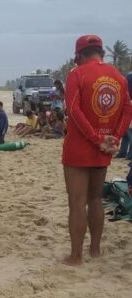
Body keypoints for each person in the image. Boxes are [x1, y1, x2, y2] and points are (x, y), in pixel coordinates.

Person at [62, 34, 132, 266]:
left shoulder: (77, 75)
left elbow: (73, 110)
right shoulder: (119, 77)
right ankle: (95, 250)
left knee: (77, 202)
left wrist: (96, 138)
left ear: (80, 55)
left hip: (79, 148)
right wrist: (115, 138)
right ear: (101, 53)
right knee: (95, 198)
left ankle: (76, 256)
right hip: (104, 149)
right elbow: (127, 111)